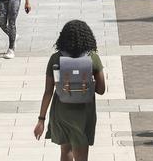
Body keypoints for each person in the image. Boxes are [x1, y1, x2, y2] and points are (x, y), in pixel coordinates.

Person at [34, 20, 105, 161]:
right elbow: (101, 89)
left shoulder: (55, 58)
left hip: (61, 110)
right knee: (82, 154)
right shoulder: (93, 58)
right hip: (84, 112)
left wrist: (41, 120)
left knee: (65, 149)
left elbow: (48, 91)